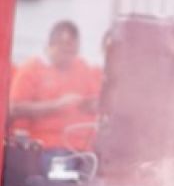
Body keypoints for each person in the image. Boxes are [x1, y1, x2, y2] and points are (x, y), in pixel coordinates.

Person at [8, 20, 103, 153]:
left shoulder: (83, 67)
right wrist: (57, 105)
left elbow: (95, 101)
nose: (69, 57)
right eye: (65, 51)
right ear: (50, 46)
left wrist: (92, 104)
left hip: (82, 147)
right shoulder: (32, 68)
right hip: (45, 146)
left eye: (73, 52)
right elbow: (14, 108)